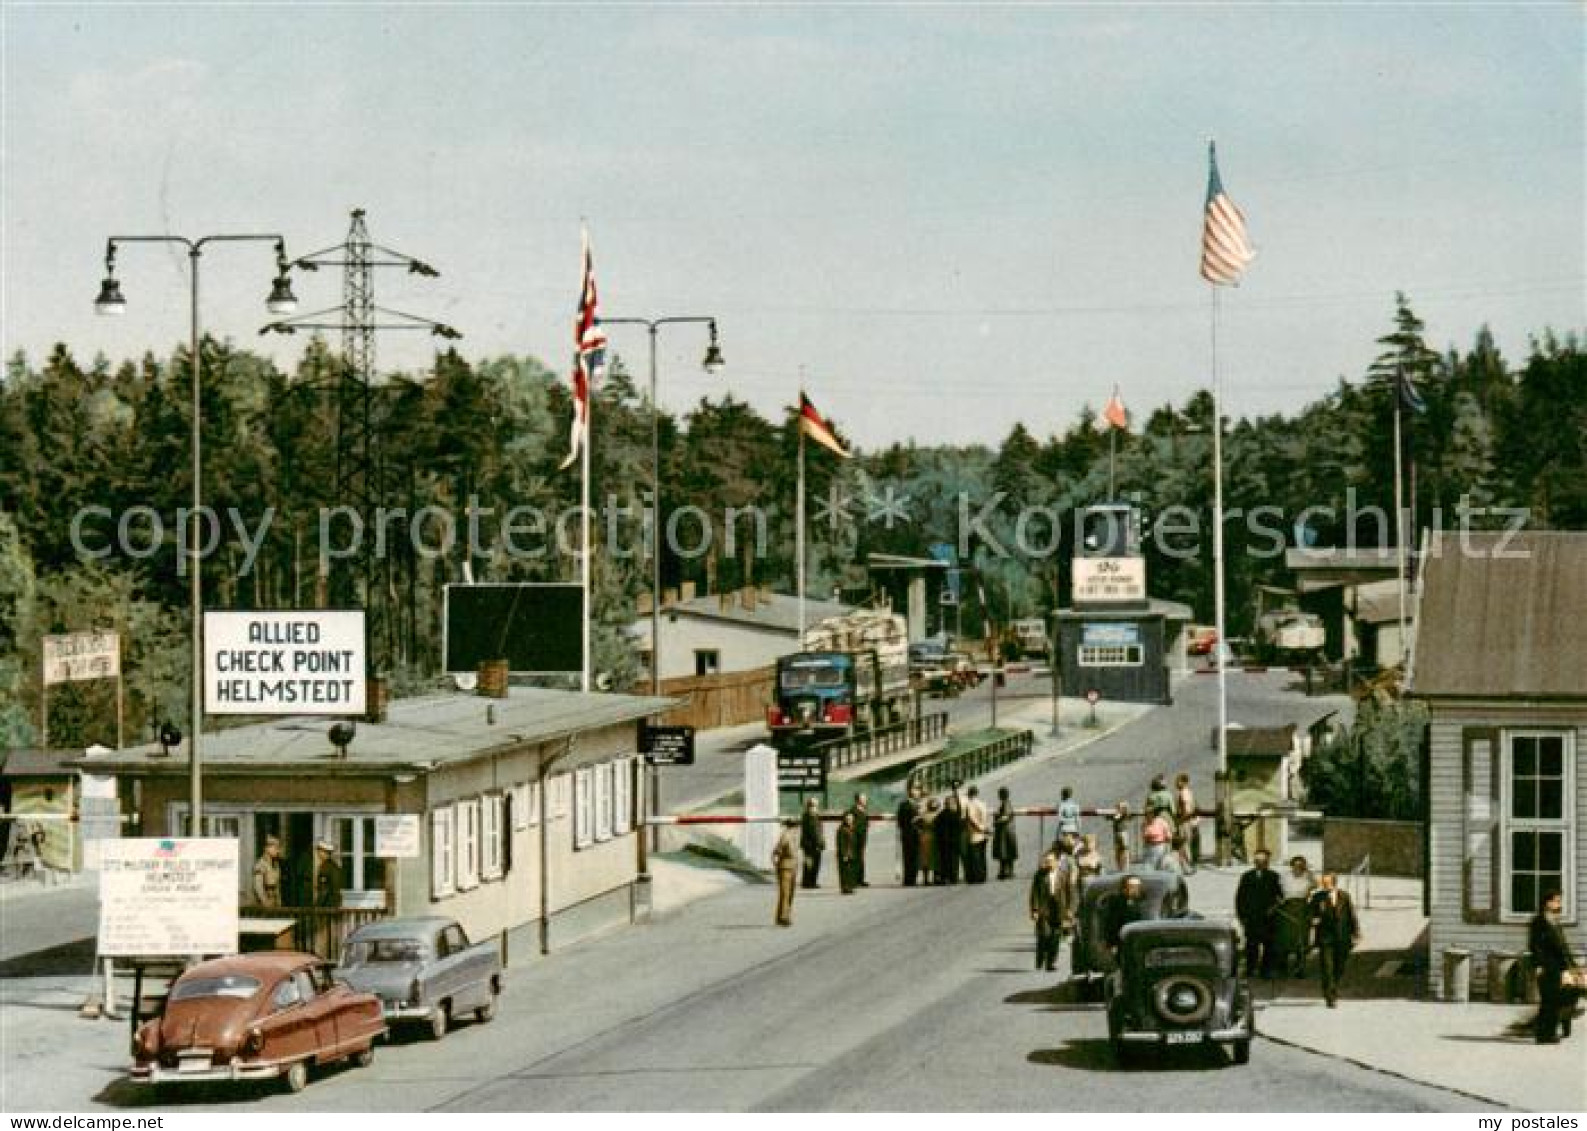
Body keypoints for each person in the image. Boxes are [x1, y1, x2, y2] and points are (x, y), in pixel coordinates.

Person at [1529, 889, 1579, 1043]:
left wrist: (1572, 964)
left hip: (1559, 964)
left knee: (1560, 997)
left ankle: (1552, 1030)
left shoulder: (1555, 920)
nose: (1559, 903)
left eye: (1559, 900)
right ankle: (1544, 1035)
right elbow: (1535, 945)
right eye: (1556, 900)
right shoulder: (1539, 921)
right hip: (1547, 965)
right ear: (1547, 902)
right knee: (1548, 1000)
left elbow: (1562, 945)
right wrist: (1538, 964)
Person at [1309, 872, 1360, 1007]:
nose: (1325, 885)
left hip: (1342, 936)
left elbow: (1351, 915)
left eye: (1327, 883)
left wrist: (1356, 933)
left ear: (1334, 883)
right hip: (1325, 937)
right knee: (1327, 967)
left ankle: (1334, 986)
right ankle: (1330, 996)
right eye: (1323, 883)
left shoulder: (1344, 896)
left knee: (1340, 965)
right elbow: (1311, 913)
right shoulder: (1317, 897)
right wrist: (1313, 919)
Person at [1235, 849, 1282, 978]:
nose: (1260, 863)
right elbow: (1240, 897)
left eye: (1263, 861)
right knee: (1251, 945)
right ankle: (1251, 969)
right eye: (1258, 861)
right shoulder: (1247, 877)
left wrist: (1274, 908)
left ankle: (1266, 970)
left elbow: (1280, 896)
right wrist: (1242, 915)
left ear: (1267, 862)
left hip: (1268, 917)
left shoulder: (1274, 877)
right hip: (1252, 917)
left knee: (1269, 945)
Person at [1029, 853, 1065, 971]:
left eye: (1051, 861)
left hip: (1058, 911)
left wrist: (1070, 911)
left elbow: (1070, 892)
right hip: (1044, 910)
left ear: (1056, 862)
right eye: (1047, 861)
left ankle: (1051, 963)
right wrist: (1034, 910)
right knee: (1044, 936)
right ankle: (1040, 958)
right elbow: (1034, 893)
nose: (1049, 864)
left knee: (1055, 938)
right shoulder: (1039, 875)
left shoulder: (1063, 875)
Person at [1104, 875, 1148, 957]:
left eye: (1137, 887)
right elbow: (1113, 924)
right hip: (1124, 941)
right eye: (1132, 887)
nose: (1135, 890)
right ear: (1124, 889)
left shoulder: (1146, 903)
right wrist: (1113, 944)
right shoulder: (1118, 904)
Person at [771, 819, 799, 926]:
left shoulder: (794, 837)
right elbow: (776, 852)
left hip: (793, 868)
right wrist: (777, 865)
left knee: (790, 893)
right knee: (785, 893)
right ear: (791, 827)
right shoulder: (785, 837)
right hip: (785, 869)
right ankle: (783, 917)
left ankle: (783, 915)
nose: (797, 829)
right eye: (795, 827)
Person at [1173, 773, 1199, 873]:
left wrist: (1180, 820)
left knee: (1184, 844)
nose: (1176, 783)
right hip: (1186, 821)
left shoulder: (1184, 793)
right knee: (1184, 844)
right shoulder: (1187, 792)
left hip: (1184, 821)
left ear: (1184, 782)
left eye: (1178, 781)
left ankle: (1188, 867)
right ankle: (1185, 866)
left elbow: (1186, 809)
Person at [897, 785, 922, 887]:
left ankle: (912, 878)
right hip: (908, 834)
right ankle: (908, 879)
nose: (918, 793)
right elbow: (900, 821)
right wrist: (912, 821)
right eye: (916, 791)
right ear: (911, 793)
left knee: (915, 857)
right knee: (908, 857)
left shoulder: (918, 804)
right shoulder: (904, 805)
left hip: (916, 834)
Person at [964, 784, 990, 884]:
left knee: (975, 857)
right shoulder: (982, 803)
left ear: (969, 794)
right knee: (982, 855)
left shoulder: (970, 804)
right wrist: (985, 828)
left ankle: (976, 876)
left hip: (975, 833)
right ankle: (983, 875)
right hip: (984, 833)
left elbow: (971, 818)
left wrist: (979, 828)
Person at [935, 793, 963, 884]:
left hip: (943, 842)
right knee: (954, 860)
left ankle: (944, 877)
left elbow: (936, 828)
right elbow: (960, 827)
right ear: (951, 804)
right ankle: (953, 877)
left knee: (944, 860)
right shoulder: (955, 815)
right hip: (954, 841)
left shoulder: (940, 815)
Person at [992, 786, 1018, 880]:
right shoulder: (1006, 803)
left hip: (1005, 831)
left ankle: (1006, 872)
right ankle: (1005, 871)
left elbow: (1005, 817)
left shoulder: (1006, 804)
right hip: (1007, 831)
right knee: (1006, 852)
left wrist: (996, 822)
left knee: (1005, 852)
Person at [252, 834, 284, 907]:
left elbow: (277, 887)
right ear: (267, 848)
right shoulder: (260, 865)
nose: (278, 850)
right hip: (264, 904)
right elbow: (258, 887)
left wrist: (279, 903)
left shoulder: (276, 865)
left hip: (275, 903)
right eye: (275, 847)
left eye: (278, 847)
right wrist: (266, 902)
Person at [799, 797, 825, 889]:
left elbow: (819, 831)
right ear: (810, 806)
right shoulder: (809, 816)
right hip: (811, 845)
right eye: (814, 805)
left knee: (813, 864)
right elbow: (814, 832)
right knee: (810, 864)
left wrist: (822, 843)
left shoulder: (813, 815)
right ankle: (809, 882)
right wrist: (818, 844)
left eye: (816, 805)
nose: (816, 807)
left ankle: (810, 881)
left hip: (812, 845)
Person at [312, 838, 343, 908]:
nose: (318, 854)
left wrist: (317, 905)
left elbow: (325, 889)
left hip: (328, 904)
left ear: (325, 852)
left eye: (319, 851)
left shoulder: (326, 868)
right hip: (333, 902)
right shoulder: (333, 866)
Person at [1141, 808, 1174, 872]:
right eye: (1146, 815)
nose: (1147, 816)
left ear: (1153, 815)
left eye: (1149, 814)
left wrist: (1167, 849)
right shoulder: (1144, 823)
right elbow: (1144, 836)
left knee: (1161, 866)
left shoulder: (1161, 822)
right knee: (1148, 867)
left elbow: (1169, 836)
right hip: (1149, 847)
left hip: (1160, 846)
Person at [849, 794, 871, 887]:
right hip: (856, 839)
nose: (866, 800)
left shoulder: (863, 811)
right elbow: (854, 826)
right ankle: (854, 880)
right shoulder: (853, 811)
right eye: (863, 799)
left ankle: (860, 879)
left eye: (865, 799)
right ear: (858, 800)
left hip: (862, 839)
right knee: (855, 859)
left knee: (861, 859)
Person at [917, 798, 939, 886]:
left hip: (925, 836)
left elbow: (916, 824)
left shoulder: (923, 815)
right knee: (932, 858)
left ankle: (926, 879)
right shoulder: (938, 815)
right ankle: (934, 878)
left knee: (926, 858)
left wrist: (920, 831)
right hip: (933, 837)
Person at [836, 812, 859, 895]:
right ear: (844, 819)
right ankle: (845, 888)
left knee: (850, 871)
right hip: (845, 854)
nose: (850, 820)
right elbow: (840, 843)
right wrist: (844, 854)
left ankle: (850, 886)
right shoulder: (841, 829)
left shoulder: (852, 828)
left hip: (852, 853)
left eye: (851, 819)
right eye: (848, 819)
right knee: (844, 872)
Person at [1108, 801, 1132, 871]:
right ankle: (1119, 867)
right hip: (1116, 834)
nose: (1118, 808)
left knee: (1125, 849)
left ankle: (1126, 867)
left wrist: (1125, 809)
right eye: (1117, 807)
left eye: (1120, 807)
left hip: (1123, 833)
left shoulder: (1124, 814)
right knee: (1117, 850)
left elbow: (1128, 816)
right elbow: (1107, 817)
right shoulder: (1115, 814)